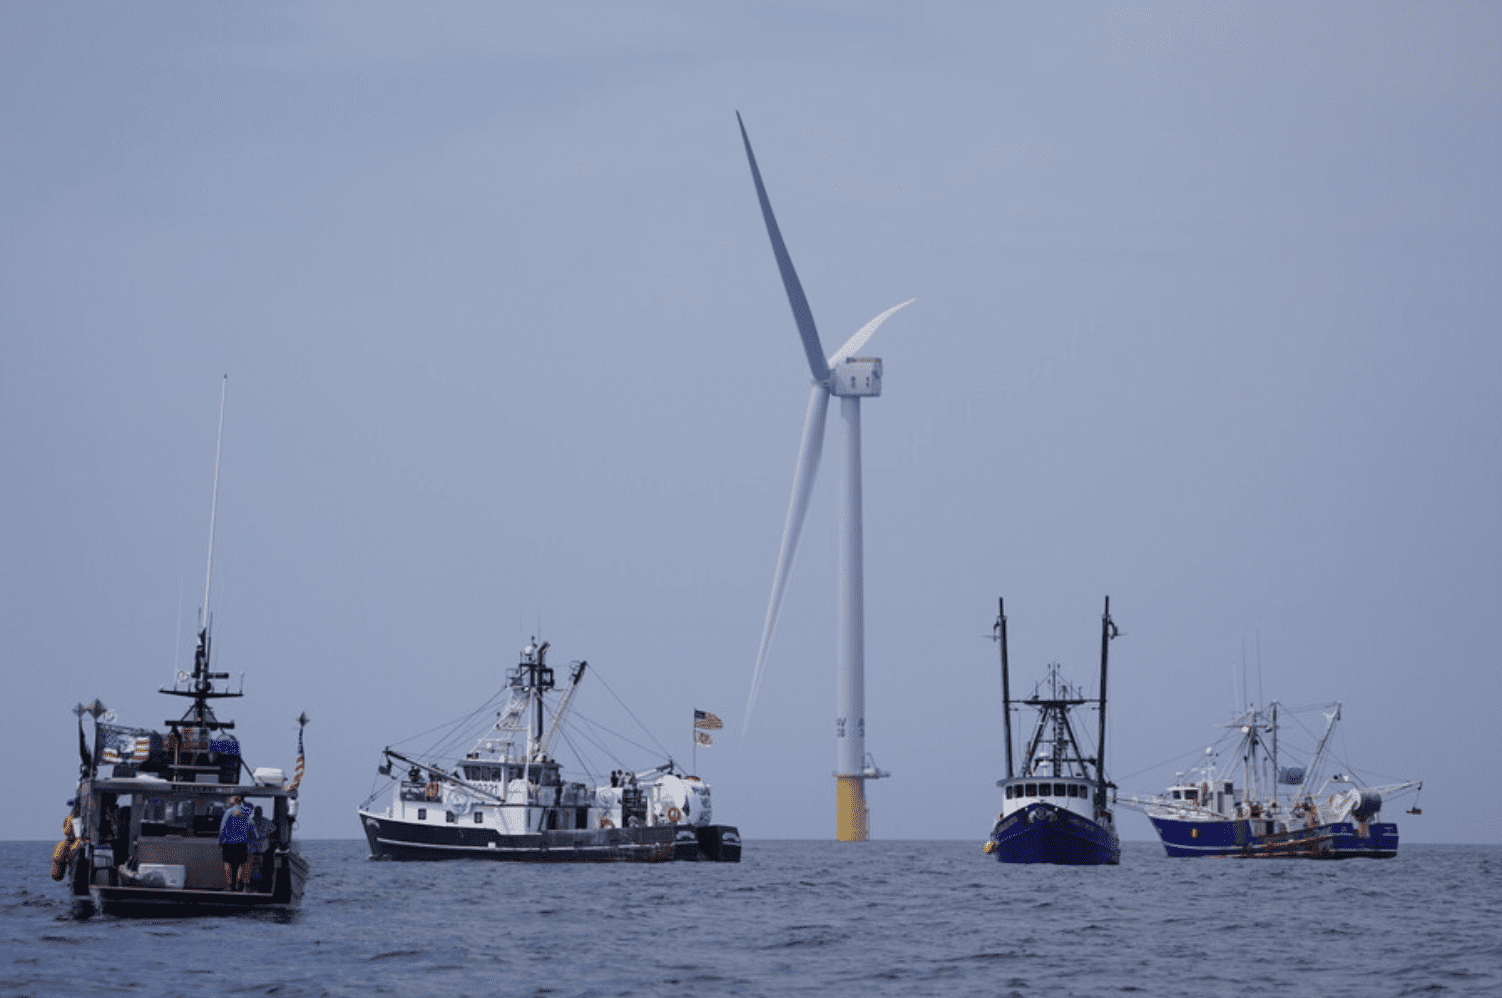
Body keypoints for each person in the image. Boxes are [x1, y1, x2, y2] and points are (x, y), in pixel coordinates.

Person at [218, 795, 253, 891]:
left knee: (228, 863)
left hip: (229, 842)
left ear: (233, 801)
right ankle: (239, 883)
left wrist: (221, 840)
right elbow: (250, 825)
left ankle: (230, 885)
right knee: (241, 863)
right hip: (242, 842)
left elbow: (223, 828)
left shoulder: (229, 812)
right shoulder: (246, 812)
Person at [246, 805, 272, 892]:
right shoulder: (265, 821)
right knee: (259, 864)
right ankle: (259, 883)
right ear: (261, 812)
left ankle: (251, 883)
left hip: (251, 847)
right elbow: (273, 829)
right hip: (262, 847)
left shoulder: (250, 821)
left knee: (251, 865)